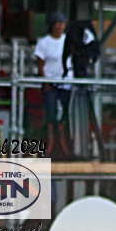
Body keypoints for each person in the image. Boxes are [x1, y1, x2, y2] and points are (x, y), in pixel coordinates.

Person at [34, 11, 73, 157]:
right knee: (50, 115)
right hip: (50, 84)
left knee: (66, 115)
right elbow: (40, 64)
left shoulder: (68, 40)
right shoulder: (44, 43)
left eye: (62, 24)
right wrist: (45, 81)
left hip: (66, 83)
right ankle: (49, 146)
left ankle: (65, 146)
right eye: (58, 24)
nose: (60, 27)